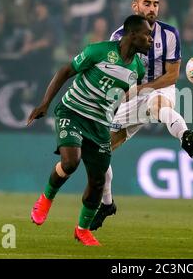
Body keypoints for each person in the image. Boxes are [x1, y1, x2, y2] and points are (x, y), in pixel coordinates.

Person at [27, 15, 153, 246]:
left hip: (99, 125)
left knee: (97, 182)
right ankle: (46, 198)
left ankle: (82, 230)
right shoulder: (98, 51)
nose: (150, 40)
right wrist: (45, 104)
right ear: (132, 34)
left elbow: (118, 99)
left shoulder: (137, 69)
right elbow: (66, 71)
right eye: (147, 35)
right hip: (72, 112)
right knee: (70, 163)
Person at [89, 0, 193, 231]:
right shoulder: (118, 37)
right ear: (135, 7)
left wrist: (143, 88)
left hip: (158, 87)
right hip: (129, 96)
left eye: (156, 4)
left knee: (157, 103)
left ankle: (185, 135)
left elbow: (172, 75)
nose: (152, 8)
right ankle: (107, 204)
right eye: (147, 3)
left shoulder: (169, 34)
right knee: (100, 151)